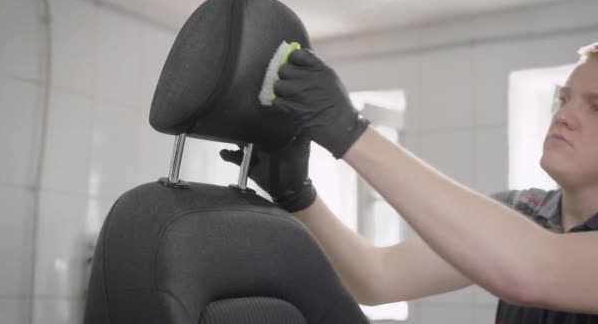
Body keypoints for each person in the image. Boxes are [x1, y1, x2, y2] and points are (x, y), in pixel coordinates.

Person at [220, 42, 598, 322]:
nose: (564, 115)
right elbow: (378, 277)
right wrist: (298, 196)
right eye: (563, 99)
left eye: (595, 106)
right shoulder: (524, 213)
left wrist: (349, 132)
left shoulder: (530, 253)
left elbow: (536, 270)